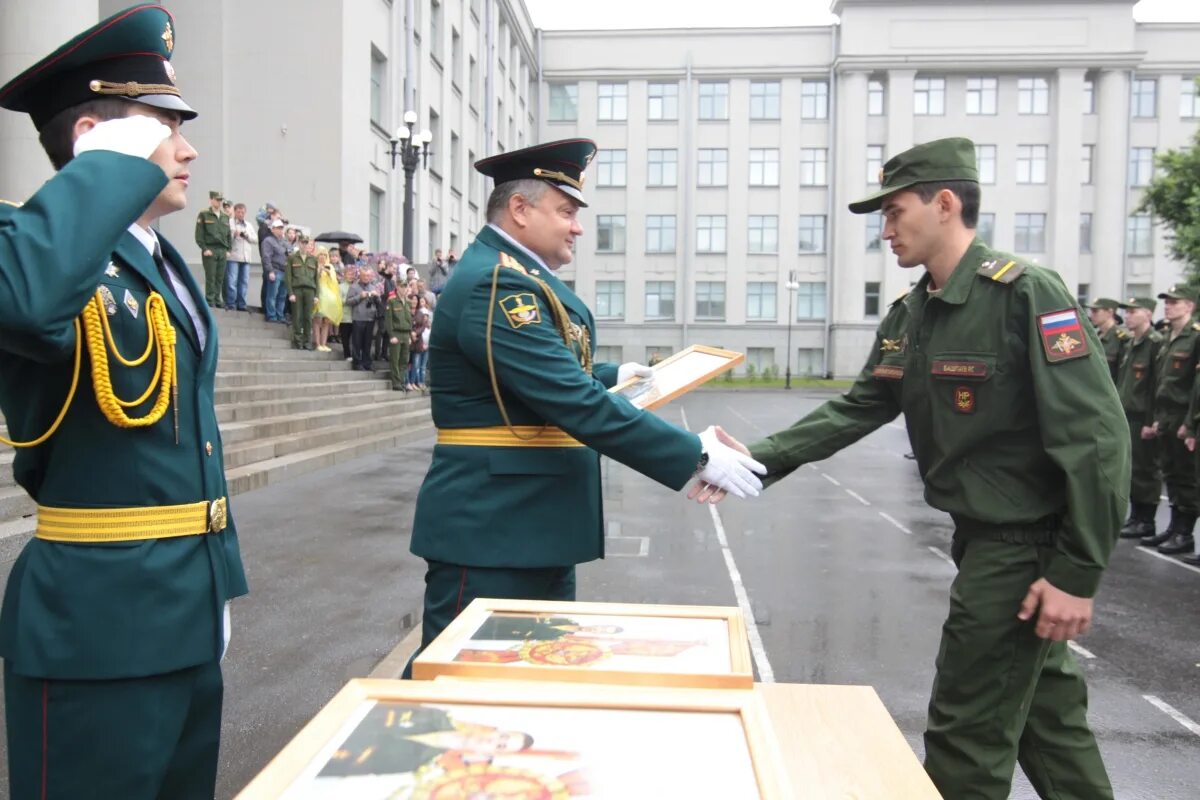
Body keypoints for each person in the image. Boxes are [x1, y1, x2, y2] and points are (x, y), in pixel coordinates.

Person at [696, 138, 1127, 800]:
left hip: (1023, 548)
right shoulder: (913, 312)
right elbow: (862, 405)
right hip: (982, 539)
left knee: (966, 736)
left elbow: (1095, 442)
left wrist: (1076, 574)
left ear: (945, 203)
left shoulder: (1023, 295)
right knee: (1048, 724)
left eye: (895, 213)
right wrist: (755, 461)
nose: (886, 230)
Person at [0, 7, 247, 798]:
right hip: (96, 630)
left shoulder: (160, 261)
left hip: (185, 612)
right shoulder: (28, 250)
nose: (188, 149)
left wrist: (216, 586)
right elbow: (35, 306)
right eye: (162, 126)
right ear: (94, 145)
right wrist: (99, 168)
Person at [405, 138, 764, 671]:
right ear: (520, 210)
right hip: (495, 526)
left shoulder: (517, 277)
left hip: (530, 521)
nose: (577, 226)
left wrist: (612, 376)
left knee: (532, 680)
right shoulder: (498, 283)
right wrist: (697, 455)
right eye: (566, 211)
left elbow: (532, 380)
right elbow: (569, 399)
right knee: (461, 684)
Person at [1141, 286, 1200, 554]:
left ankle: (1185, 533)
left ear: (1189, 306)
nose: (1168, 306)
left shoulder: (1194, 337)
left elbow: (1195, 386)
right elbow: (1158, 382)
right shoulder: (1167, 336)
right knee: (1171, 473)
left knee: (1187, 475)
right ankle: (1174, 528)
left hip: (1182, 414)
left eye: (1175, 303)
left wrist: (1190, 423)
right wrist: (1155, 417)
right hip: (1165, 414)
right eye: (1167, 302)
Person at [1116, 297, 1164, 541]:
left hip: (1142, 416)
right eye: (1127, 312)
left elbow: (1156, 385)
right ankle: (1136, 516)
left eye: (1133, 312)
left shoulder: (1155, 343)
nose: (1128, 316)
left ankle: (1147, 520)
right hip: (1127, 413)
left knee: (1146, 468)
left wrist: (1151, 420)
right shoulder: (1131, 343)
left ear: (1147, 314)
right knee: (1132, 469)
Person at [194, 188, 230, 308]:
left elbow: (228, 234)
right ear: (211, 200)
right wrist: (204, 248)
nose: (219, 202)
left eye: (220, 200)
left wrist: (228, 249)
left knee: (220, 277)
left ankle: (217, 299)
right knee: (211, 276)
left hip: (222, 250)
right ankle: (210, 300)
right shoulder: (204, 214)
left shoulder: (225, 216)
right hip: (210, 248)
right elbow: (199, 234)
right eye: (217, 200)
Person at [286, 236, 318, 350]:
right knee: (297, 316)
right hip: (297, 289)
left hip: (310, 290)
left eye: (306, 243)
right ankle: (298, 340)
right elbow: (288, 277)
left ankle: (307, 341)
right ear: (299, 243)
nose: (304, 245)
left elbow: (316, 279)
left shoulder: (313, 259)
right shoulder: (292, 258)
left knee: (308, 317)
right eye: (302, 243)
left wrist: (317, 295)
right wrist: (291, 293)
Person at [1086, 298, 1128, 383]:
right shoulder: (1095, 337)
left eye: (1095, 311)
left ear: (1110, 312)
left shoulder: (1121, 338)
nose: (1091, 315)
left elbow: (1124, 374)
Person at [225, 201, 257, 311]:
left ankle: (242, 304)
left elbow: (255, 239)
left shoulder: (249, 225)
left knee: (244, 282)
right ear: (234, 212)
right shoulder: (229, 223)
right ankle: (231, 303)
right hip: (233, 256)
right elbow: (225, 238)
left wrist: (247, 235)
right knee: (232, 281)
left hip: (246, 257)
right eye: (238, 212)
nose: (241, 214)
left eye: (243, 212)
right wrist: (233, 234)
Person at [346, 267, 379, 371]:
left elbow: (378, 302)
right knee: (357, 342)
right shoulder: (354, 287)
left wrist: (376, 296)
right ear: (360, 275)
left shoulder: (372, 287)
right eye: (364, 275)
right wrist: (360, 296)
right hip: (359, 318)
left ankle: (367, 362)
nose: (366, 277)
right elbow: (348, 301)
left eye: (368, 276)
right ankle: (357, 363)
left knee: (367, 342)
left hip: (370, 318)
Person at [312, 246, 341, 352]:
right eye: (321, 254)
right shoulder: (314, 265)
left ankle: (324, 344)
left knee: (326, 322)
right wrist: (319, 271)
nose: (323, 257)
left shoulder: (330, 267)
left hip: (329, 299)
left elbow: (334, 282)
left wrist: (329, 273)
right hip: (319, 296)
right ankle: (317, 343)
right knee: (317, 320)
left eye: (325, 255)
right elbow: (314, 279)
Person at [259, 218, 288, 322]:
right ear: (273, 229)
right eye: (278, 228)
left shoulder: (284, 242)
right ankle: (271, 315)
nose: (281, 230)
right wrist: (270, 271)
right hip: (275, 270)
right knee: (272, 295)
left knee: (282, 296)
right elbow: (266, 257)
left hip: (285, 272)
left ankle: (280, 315)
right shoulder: (268, 241)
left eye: (282, 228)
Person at [385, 287, 413, 390]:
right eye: (403, 287)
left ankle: (401, 381)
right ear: (398, 288)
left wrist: (409, 335)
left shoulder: (407, 302)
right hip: (396, 333)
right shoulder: (392, 301)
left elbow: (409, 320)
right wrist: (391, 335)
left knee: (404, 360)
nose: (406, 289)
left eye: (406, 287)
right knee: (395, 359)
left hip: (406, 334)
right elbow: (389, 320)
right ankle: (396, 382)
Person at [338, 264, 357, 360]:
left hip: (355, 316)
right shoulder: (340, 286)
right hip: (344, 316)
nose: (350, 276)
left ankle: (354, 354)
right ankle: (347, 354)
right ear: (344, 275)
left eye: (352, 274)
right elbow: (338, 300)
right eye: (348, 274)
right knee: (345, 337)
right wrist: (350, 300)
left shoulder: (356, 286)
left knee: (354, 338)